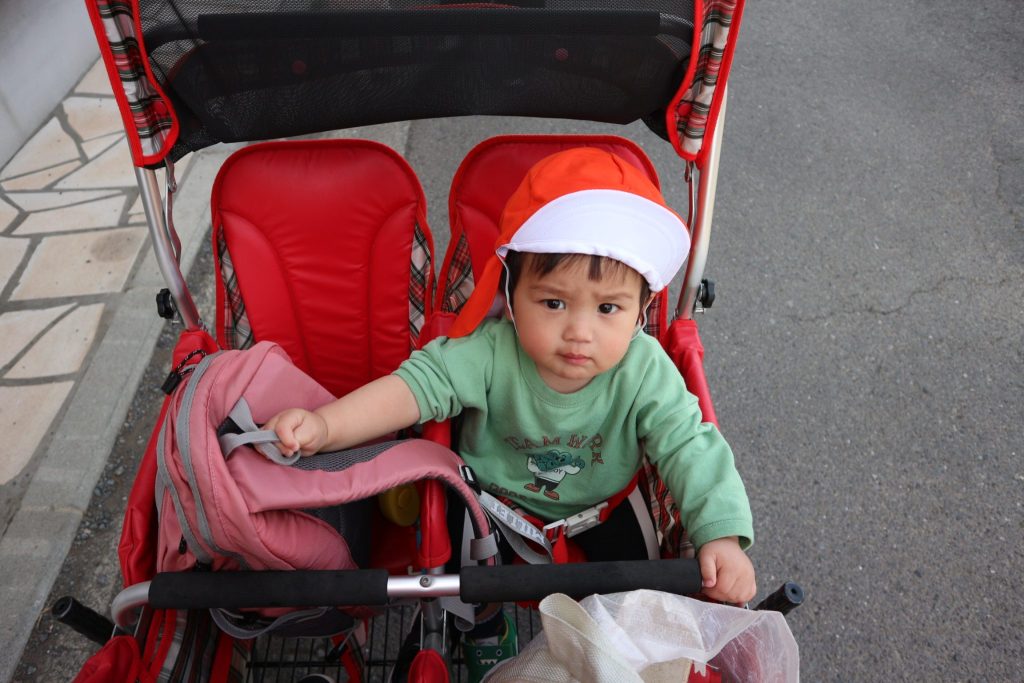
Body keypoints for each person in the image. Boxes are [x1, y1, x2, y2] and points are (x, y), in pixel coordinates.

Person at [265, 147, 755, 677]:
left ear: (641, 309)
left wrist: (720, 536)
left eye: (607, 308)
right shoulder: (490, 351)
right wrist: (325, 425)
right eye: (553, 303)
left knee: (644, 581)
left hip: (603, 504)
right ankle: (482, 623)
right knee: (454, 553)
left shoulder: (644, 369)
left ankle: (610, 641)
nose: (579, 331)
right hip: (492, 503)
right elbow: (411, 389)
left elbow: (690, 445)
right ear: (510, 295)